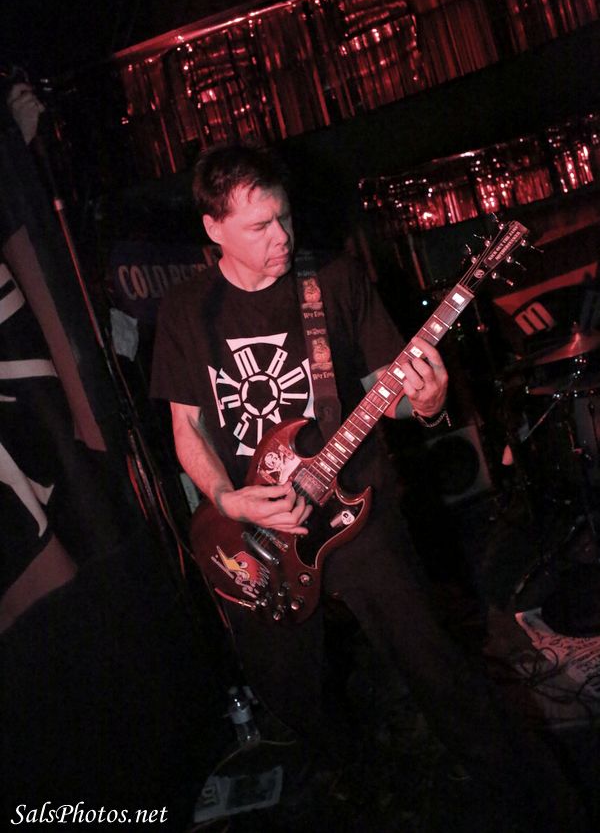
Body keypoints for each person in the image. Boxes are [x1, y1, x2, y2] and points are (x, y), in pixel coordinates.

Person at [150, 144, 587, 831]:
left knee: (440, 670)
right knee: (290, 692)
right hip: (253, 532)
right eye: (259, 226)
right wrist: (226, 500)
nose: (280, 237)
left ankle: (544, 809)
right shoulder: (186, 310)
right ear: (213, 229)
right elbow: (186, 426)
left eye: (284, 218)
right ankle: (355, 781)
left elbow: (396, 388)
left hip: (358, 507)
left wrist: (428, 397)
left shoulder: (332, 278)